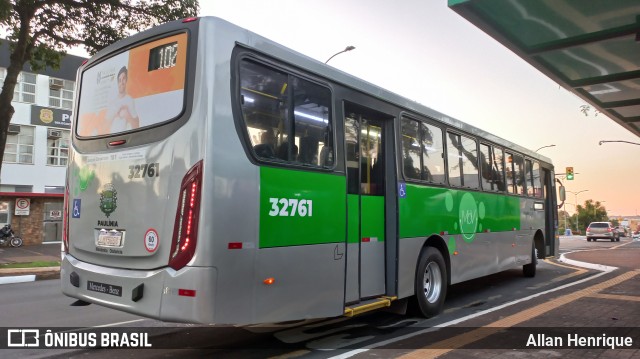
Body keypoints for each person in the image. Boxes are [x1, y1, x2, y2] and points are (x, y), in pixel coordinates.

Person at [107, 66, 139, 133]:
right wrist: (115, 115)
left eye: (123, 79)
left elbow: (136, 126)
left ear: (127, 80)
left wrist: (127, 115)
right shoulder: (112, 102)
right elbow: (105, 126)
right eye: (119, 80)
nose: (121, 82)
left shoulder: (130, 100)